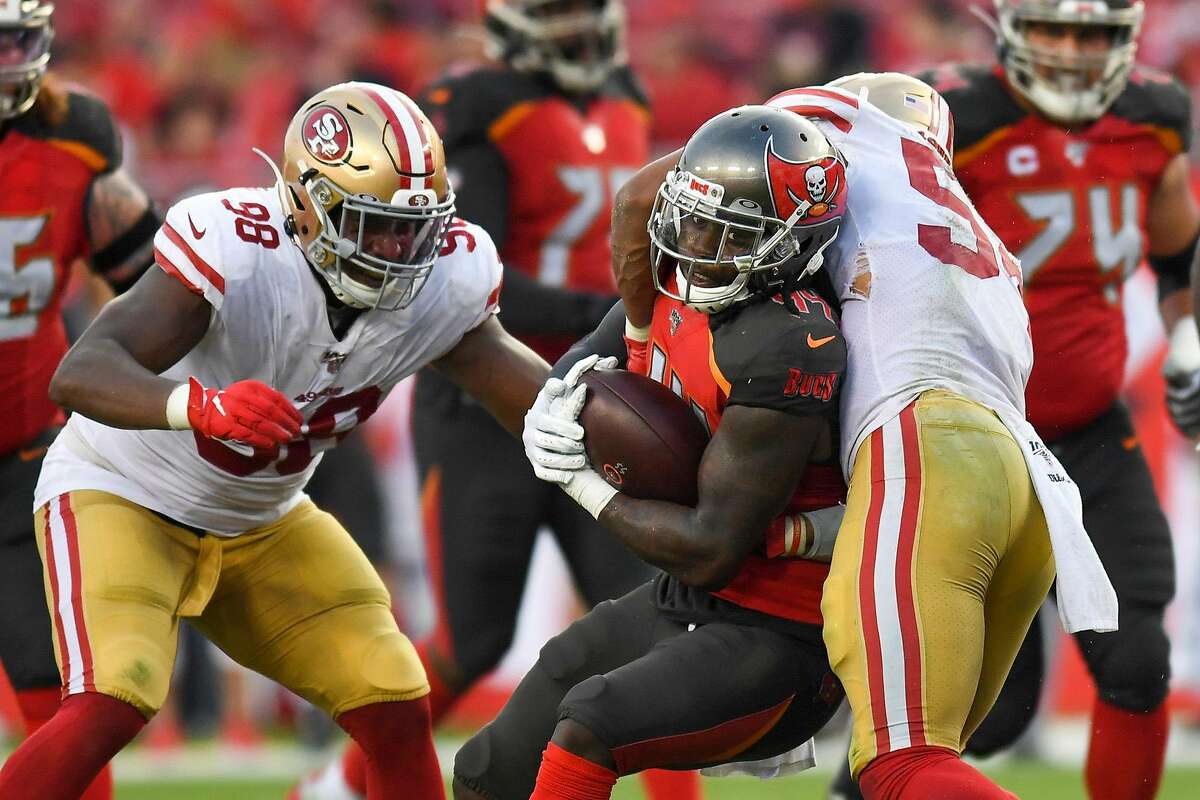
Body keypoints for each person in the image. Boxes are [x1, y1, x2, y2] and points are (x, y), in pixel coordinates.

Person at [0, 80, 551, 800]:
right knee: (116, 694)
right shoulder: (241, 247)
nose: (396, 248)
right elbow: (84, 372)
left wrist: (608, 441)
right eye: (370, 222)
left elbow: (535, 400)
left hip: (259, 518)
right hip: (124, 491)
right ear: (307, 206)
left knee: (394, 696)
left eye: (411, 227)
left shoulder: (447, 280)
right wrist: (196, 406)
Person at [611, 72, 1119, 799]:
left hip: (925, 447)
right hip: (1025, 478)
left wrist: (639, 355)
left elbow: (637, 199)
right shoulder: (960, 215)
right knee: (914, 770)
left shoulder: (803, 138)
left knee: (899, 762)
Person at [294, 2, 700, 798]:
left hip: (601, 405)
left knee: (652, 633)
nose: (578, 28)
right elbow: (469, 282)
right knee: (470, 641)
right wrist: (612, 313)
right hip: (487, 408)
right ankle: (340, 785)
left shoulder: (626, 93)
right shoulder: (476, 104)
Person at [828, 3, 1200, 798]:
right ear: (1011, 28)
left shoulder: (1154, 117)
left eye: (1093, 35)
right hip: (975, 427)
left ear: (1124, 41)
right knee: (981, 711)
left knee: (1138, 663)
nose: (1071, 53)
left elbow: (1177, 249)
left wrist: (1188, 340)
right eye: (1056, 30)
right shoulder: (949, 112)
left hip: (1095, 430)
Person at [453, 106, 851, 800]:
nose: (697, 244)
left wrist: (583, 483)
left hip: (784, 633)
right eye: (693, 219)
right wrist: (555, 400)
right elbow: (590, 356)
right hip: (688, 600)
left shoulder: (789, 340)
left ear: (792, 243)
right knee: (491, 770)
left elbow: (710, 546)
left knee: (589, 724)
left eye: (730, 232)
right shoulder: (678, 281)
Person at [0, 3, 161, 799]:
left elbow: (153, 286)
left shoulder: (77, 134)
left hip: (23, 457)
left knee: (57, 692)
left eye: (12, 39)